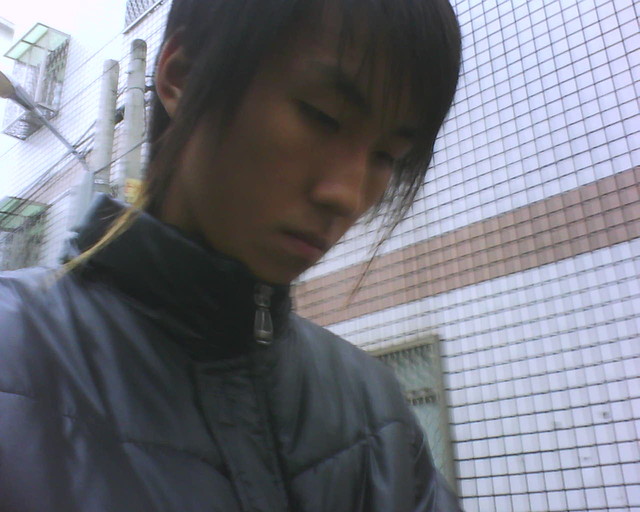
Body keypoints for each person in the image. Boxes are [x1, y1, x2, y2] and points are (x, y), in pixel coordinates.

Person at [0, 0, 462, 510]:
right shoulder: (15, 352)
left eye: (387, 157)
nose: (348, 196)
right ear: (182, 77)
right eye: (322, 116)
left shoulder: (380, 419)